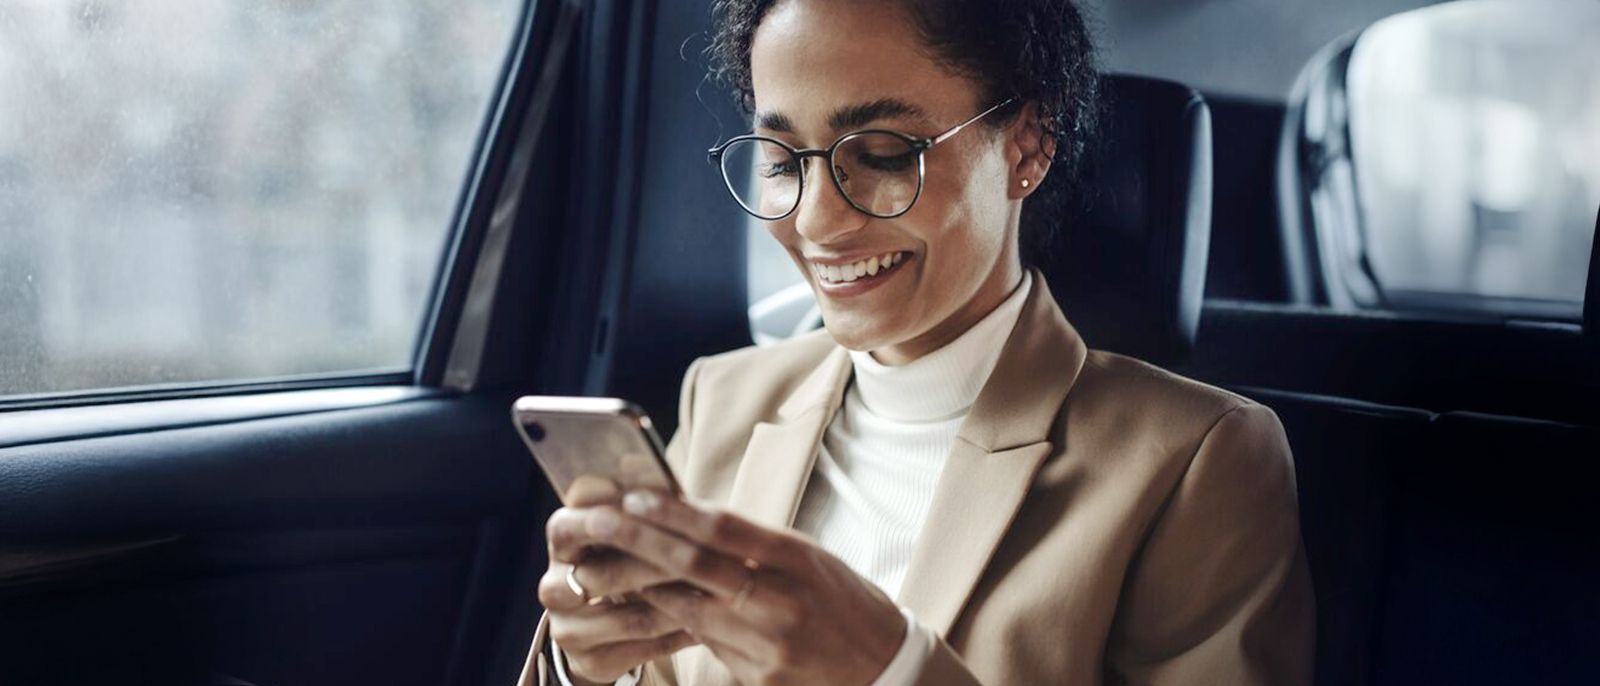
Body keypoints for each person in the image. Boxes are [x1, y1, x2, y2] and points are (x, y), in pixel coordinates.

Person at [520, 0, 1315, 683]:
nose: (815, 222)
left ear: (1028, 145)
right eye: (782, 159)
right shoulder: (723, 398)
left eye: (882, 155)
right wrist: (586, 667)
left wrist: (894, 670)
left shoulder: (1199, 461)